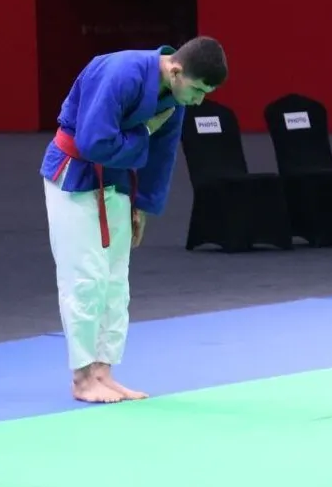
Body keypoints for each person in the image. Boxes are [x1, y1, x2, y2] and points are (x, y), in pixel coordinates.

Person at [40, 36, 228, 403]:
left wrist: (141, 205)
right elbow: (94, 142)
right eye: (198, 90)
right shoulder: (120, 73)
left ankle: (103, 372)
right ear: (176, 70)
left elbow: (162, 154)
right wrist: (143, 131)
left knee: (115, 282)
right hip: (74, 175)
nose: (199, 100)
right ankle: (81, 377)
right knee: (85, 277)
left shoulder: (175, 97)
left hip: (118, 180)